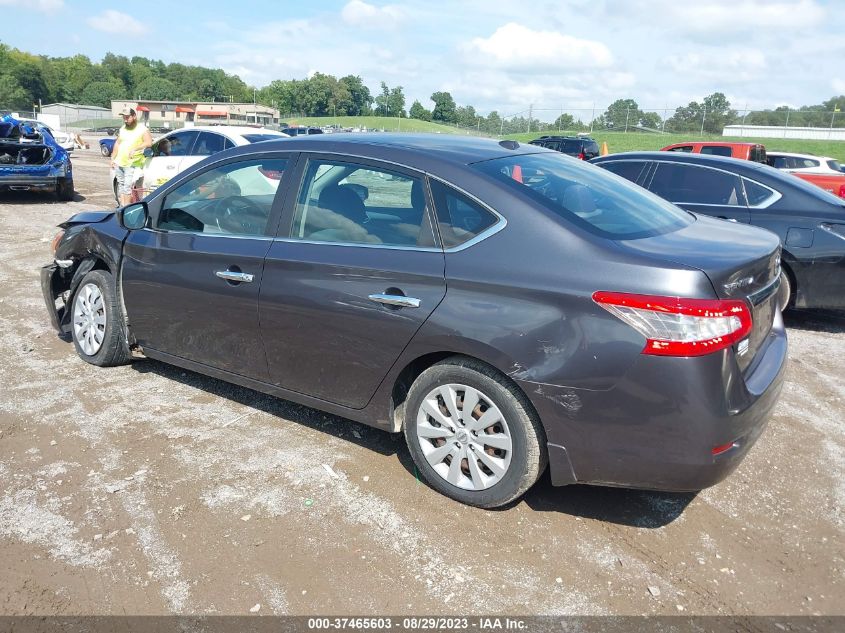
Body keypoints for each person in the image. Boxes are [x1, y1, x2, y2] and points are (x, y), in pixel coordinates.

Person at [111, 106, 153, 206]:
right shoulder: (123, 129)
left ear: (134, 116)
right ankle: (122, 207)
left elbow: (149, 142)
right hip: (119, 162)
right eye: (124, 117)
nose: (125, 120)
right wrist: (112, 158)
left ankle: (126, 209)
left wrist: (136, 148)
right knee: (121, 186)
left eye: (127, 117)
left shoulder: (142, 129)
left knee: (127, 187)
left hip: (132, 163)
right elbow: (117, 143)